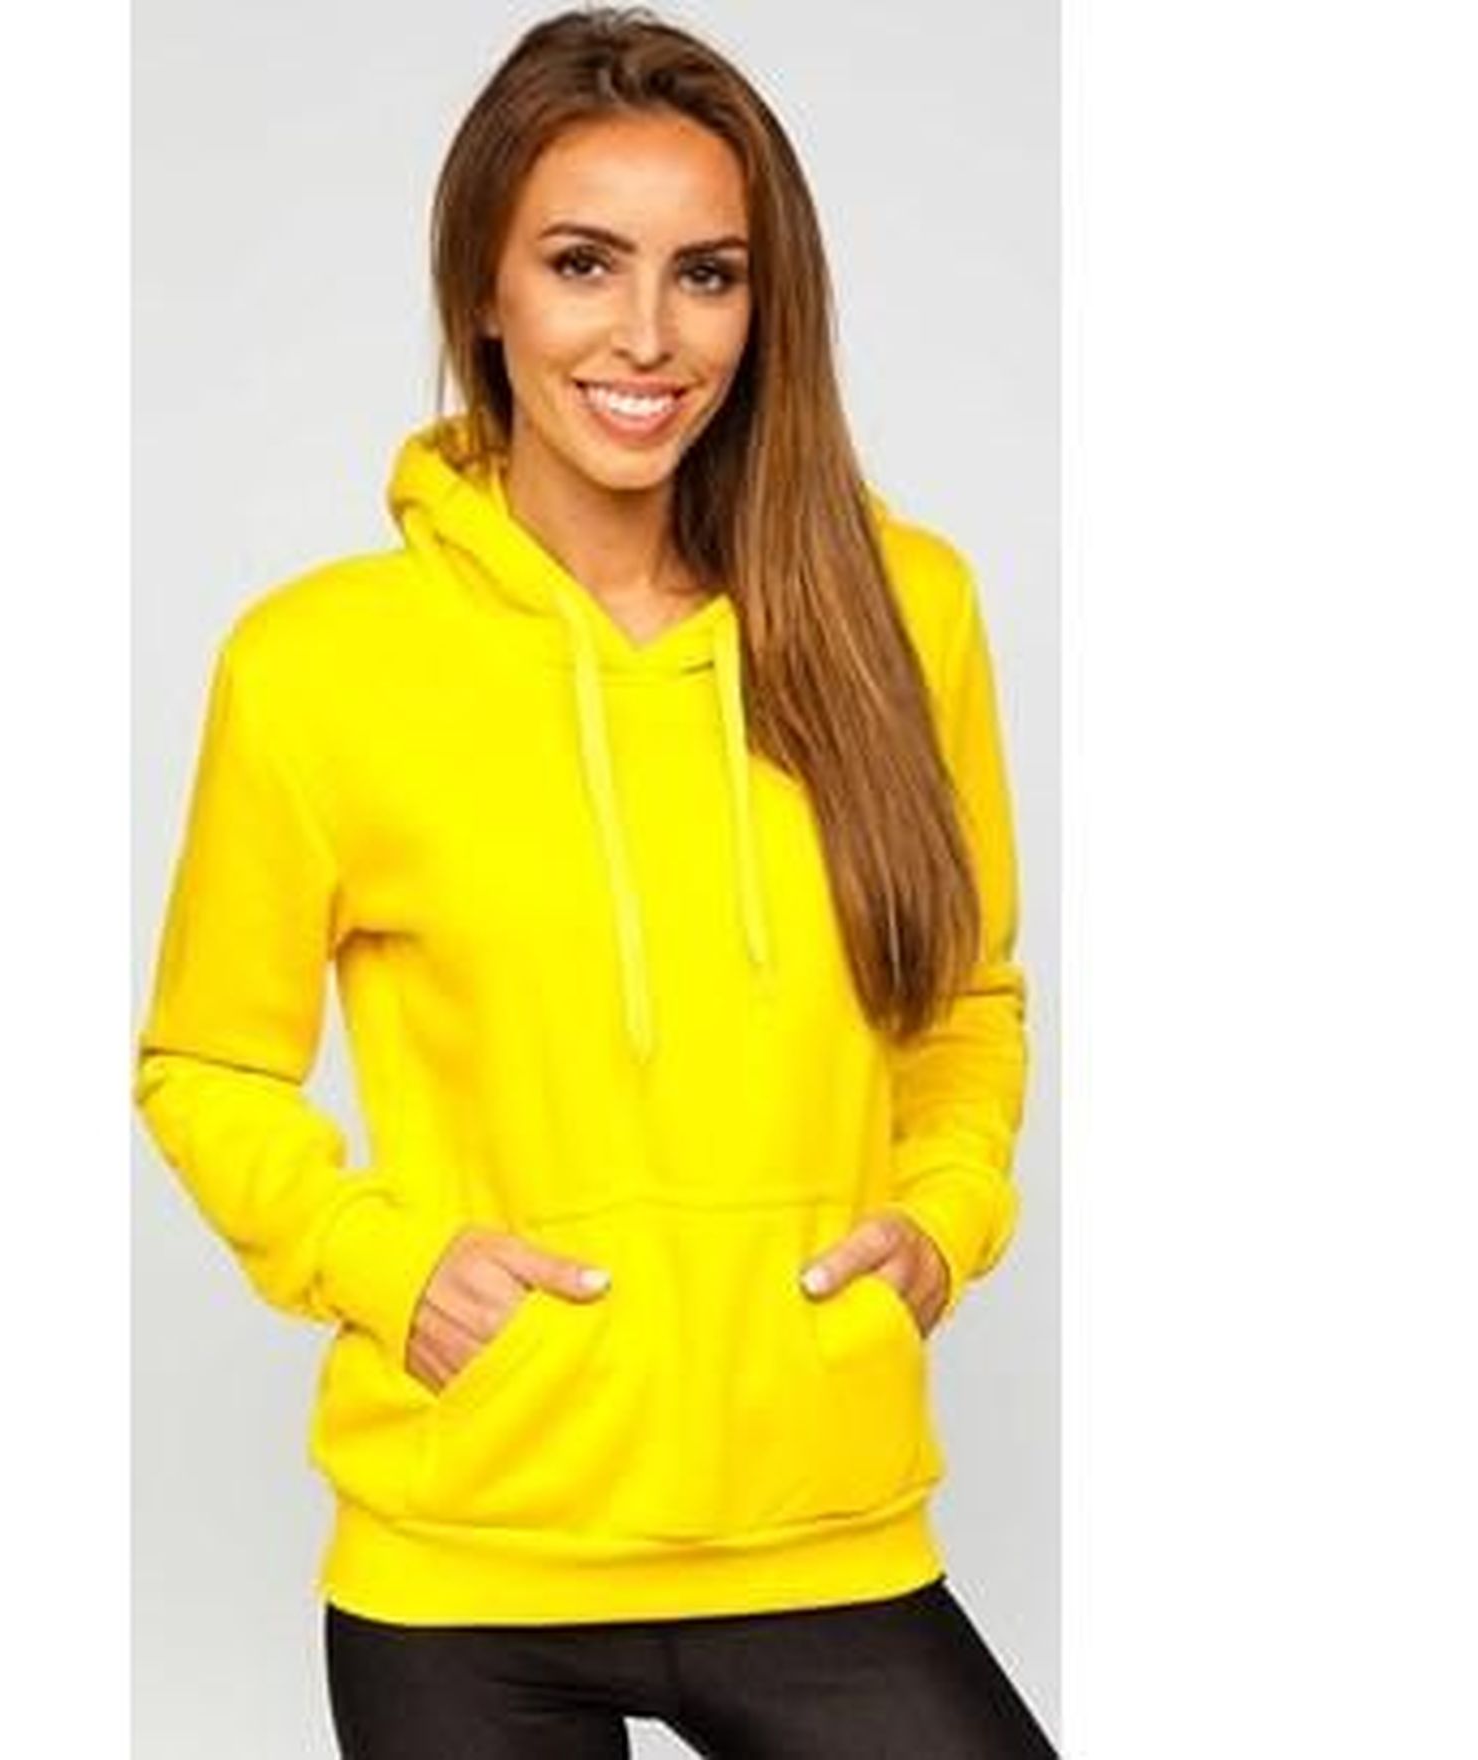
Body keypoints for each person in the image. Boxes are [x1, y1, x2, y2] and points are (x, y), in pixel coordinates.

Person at [134, 7, 1056, 1754]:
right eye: (582, 264)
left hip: (819, 1524)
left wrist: (943, 1222)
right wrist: (379, 1261)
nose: (648, 336)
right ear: (484, 290)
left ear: (765, 306)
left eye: (707, 275)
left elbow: (964, 1002)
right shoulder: (317, 666)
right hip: (464, 1573)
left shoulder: (901, 611)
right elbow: (206, 1060)